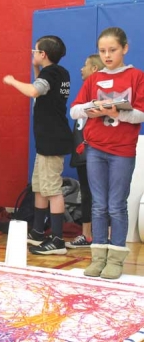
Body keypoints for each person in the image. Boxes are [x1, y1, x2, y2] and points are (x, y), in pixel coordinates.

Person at [70, 27, 144, 279]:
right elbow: (75, 111)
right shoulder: (93, 79)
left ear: (125, 48)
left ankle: (115, 259)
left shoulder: (136, 76)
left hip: (122, 150)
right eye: (102, 51)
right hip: (95, 150)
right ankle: (98, 257)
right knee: (99, 205)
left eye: (112, 50)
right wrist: (92, 108)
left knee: (116, 205)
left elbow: (140, 114)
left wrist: (117, 113)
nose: (107, 55)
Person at [3, 35, 73, 255]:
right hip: (47, 140)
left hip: (53, 140)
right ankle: (37, 232)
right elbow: (42, 89)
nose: (33, 53)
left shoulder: (50, 73)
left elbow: (34, 91)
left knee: (52, 189)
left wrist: (12, 81)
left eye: (35, 51)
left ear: (43, 54)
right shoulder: (60, 73)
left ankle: (58, 239)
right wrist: (35, 69)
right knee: (39, 186)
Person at [66, 54, 104, 249]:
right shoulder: (84, 92)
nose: (81, 69)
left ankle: (105, 236)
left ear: (95, 69)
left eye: (85, 65)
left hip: (96, 150)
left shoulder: (102, 92)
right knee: (87, 193)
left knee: (101, 194)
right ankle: (87, 235)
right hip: (82, 150)